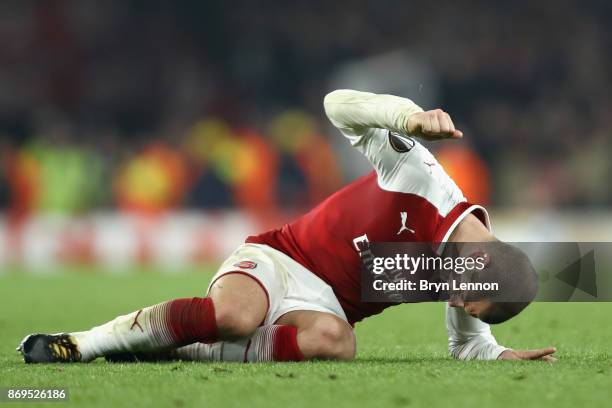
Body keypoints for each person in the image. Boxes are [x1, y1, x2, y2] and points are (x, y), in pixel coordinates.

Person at [18, 90, 556, 364]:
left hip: (317, 311)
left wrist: (491, 348)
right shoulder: (420, 177)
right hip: (280, 260)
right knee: (234, 315)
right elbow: (336, 106)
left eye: (470, 308)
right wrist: (406, 116)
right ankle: (84, 343)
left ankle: (179, 343)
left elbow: (467, 342)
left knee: (337, 343)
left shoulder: (465, 268)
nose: (457, 305)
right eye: (469, 299)